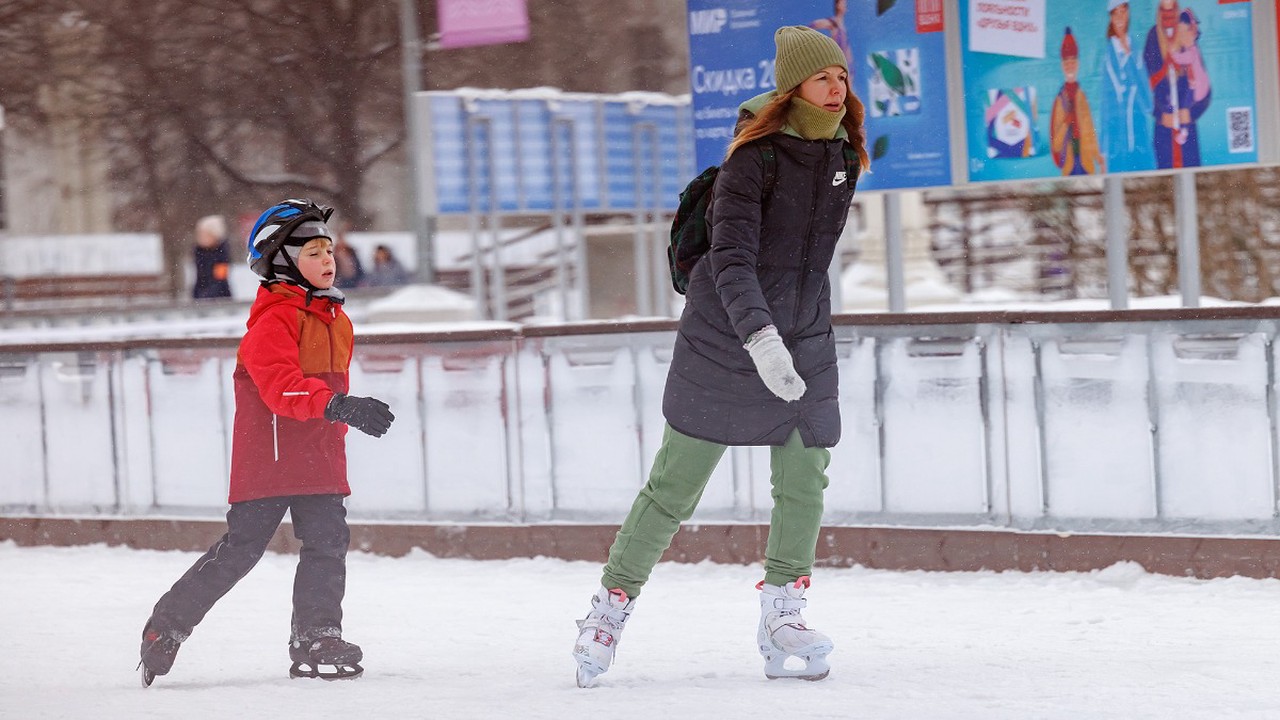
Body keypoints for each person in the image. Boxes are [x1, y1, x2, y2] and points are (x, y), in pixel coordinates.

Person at [571, 25, 868, 688]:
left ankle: (782, 615)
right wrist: (760, 339)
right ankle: (610, 608)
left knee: (803, 478)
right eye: (823, 78)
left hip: (804, 335)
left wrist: (795, 338)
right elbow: (730, 260)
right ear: (794, 87)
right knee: (676, 485)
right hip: (724, 337)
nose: (836, 88)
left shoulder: (841, 156)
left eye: (842, 78)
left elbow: (806, 262)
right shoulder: (751, 160)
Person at [138, 198, 396, 686]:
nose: (327, 261)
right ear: (282, 261)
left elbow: (315, 387)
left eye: (328, 251)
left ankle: (317, 634)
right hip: (271, 457)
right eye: (313, 252)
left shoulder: (335, 318)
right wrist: (340, 405)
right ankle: (165, 627)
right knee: (241, 550)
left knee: (327, 543)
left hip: (319, 452)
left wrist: (340, 411)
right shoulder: (271, 321)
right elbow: (281, 387)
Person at [1145, 1, 1209, 168]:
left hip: (1187, 127)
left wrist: (1191, 112)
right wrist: (1159, 115)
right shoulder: (1153, 37)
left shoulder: (1186, 37)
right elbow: (1143, 88)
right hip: (1164, 129)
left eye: (1171, 11)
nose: (1168, 17)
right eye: (1164, 12)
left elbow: (1204, 88)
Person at [1099, 0, 1154, 172]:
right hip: (1116, 144)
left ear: (1128, 13)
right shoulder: (1107, 55)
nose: (1120, 17)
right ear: (1111, 18)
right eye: (1116, 13)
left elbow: (1148, 103)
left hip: (1139, 140)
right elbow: (1104, 105)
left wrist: (1130, 57)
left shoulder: (1136, 50)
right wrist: (1103, 149)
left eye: (1123, 11)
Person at [1051, 27, 1105, 175]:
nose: (1070, 66)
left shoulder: (1082, 97)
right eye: (1067, 63)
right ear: (1062, 66)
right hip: (1069, 164)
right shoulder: (1059, 101)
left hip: (1085, 161)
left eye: (1073, 62)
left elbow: (1089, 129)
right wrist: (1066, 123)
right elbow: (1055, 144)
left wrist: (1098, 156)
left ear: (1078, 64)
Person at [191, 214, 233, 299]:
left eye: (205, 234)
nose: (200, 237)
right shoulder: (199, 253)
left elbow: (221, 280)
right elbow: (199, 279)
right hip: (200, 297)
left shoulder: (221, 255)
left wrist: (208, 296)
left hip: (219, 298)